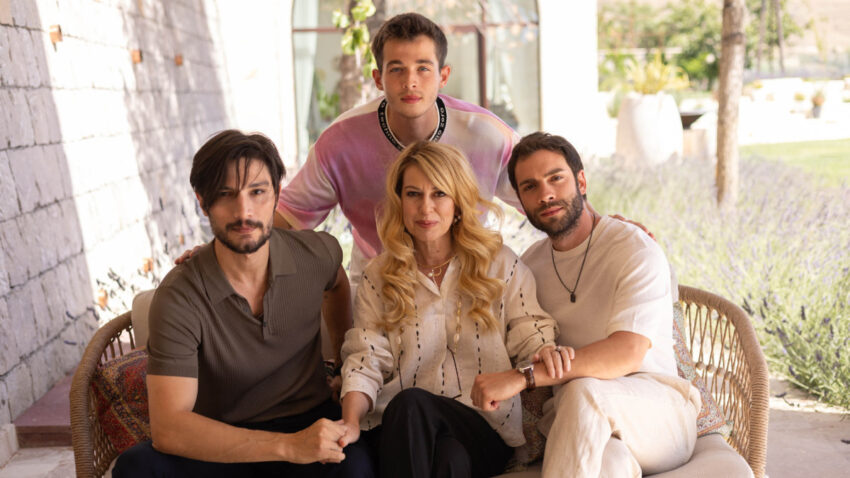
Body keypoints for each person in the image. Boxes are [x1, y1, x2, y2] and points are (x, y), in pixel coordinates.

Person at [113, 130, 373, 478]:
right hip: (221, 440)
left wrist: (342, 361)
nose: (244, 211)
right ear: (203, 201)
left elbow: (337, 283)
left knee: (357, 464)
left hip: (308, 423)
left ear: (277, 194)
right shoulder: (179, 295)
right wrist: (287, 447)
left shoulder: (315, 254)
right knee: (137, 468)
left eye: (257, 192)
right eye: (226, 194)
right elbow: (170, 428)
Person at [471, 132, 701, 478]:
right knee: (609, 465)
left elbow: (627, 352)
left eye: (556, 178)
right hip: (575, 421)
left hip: (658, 412)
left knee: (583, 391)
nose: (546, 194)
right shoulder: (529, 266)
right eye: (530, 187)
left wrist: (524, 377)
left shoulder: (633, 248)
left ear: (581, 181)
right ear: (520, 200)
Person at [336, 141, 562, 478]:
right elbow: (366, 359)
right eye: (413, 194)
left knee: (413, 405)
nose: (425, 208)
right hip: (398, 429)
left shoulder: (500, 265)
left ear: (457, 202)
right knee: (448, 458)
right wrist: (351, 422)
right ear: (400, 201)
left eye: (439, 193)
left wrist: (545, 351)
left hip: (481, 425)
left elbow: (530, 333)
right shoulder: (380, 276)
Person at [274, 12, 521, 287]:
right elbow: (286, 218)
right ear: (378, 78)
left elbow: (544, 196)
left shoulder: (488, 135)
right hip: (377, 286)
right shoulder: (340, 142)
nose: (410, 82)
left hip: (468, 281)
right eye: (396, 69)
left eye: (423, 68)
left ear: (443, 76)